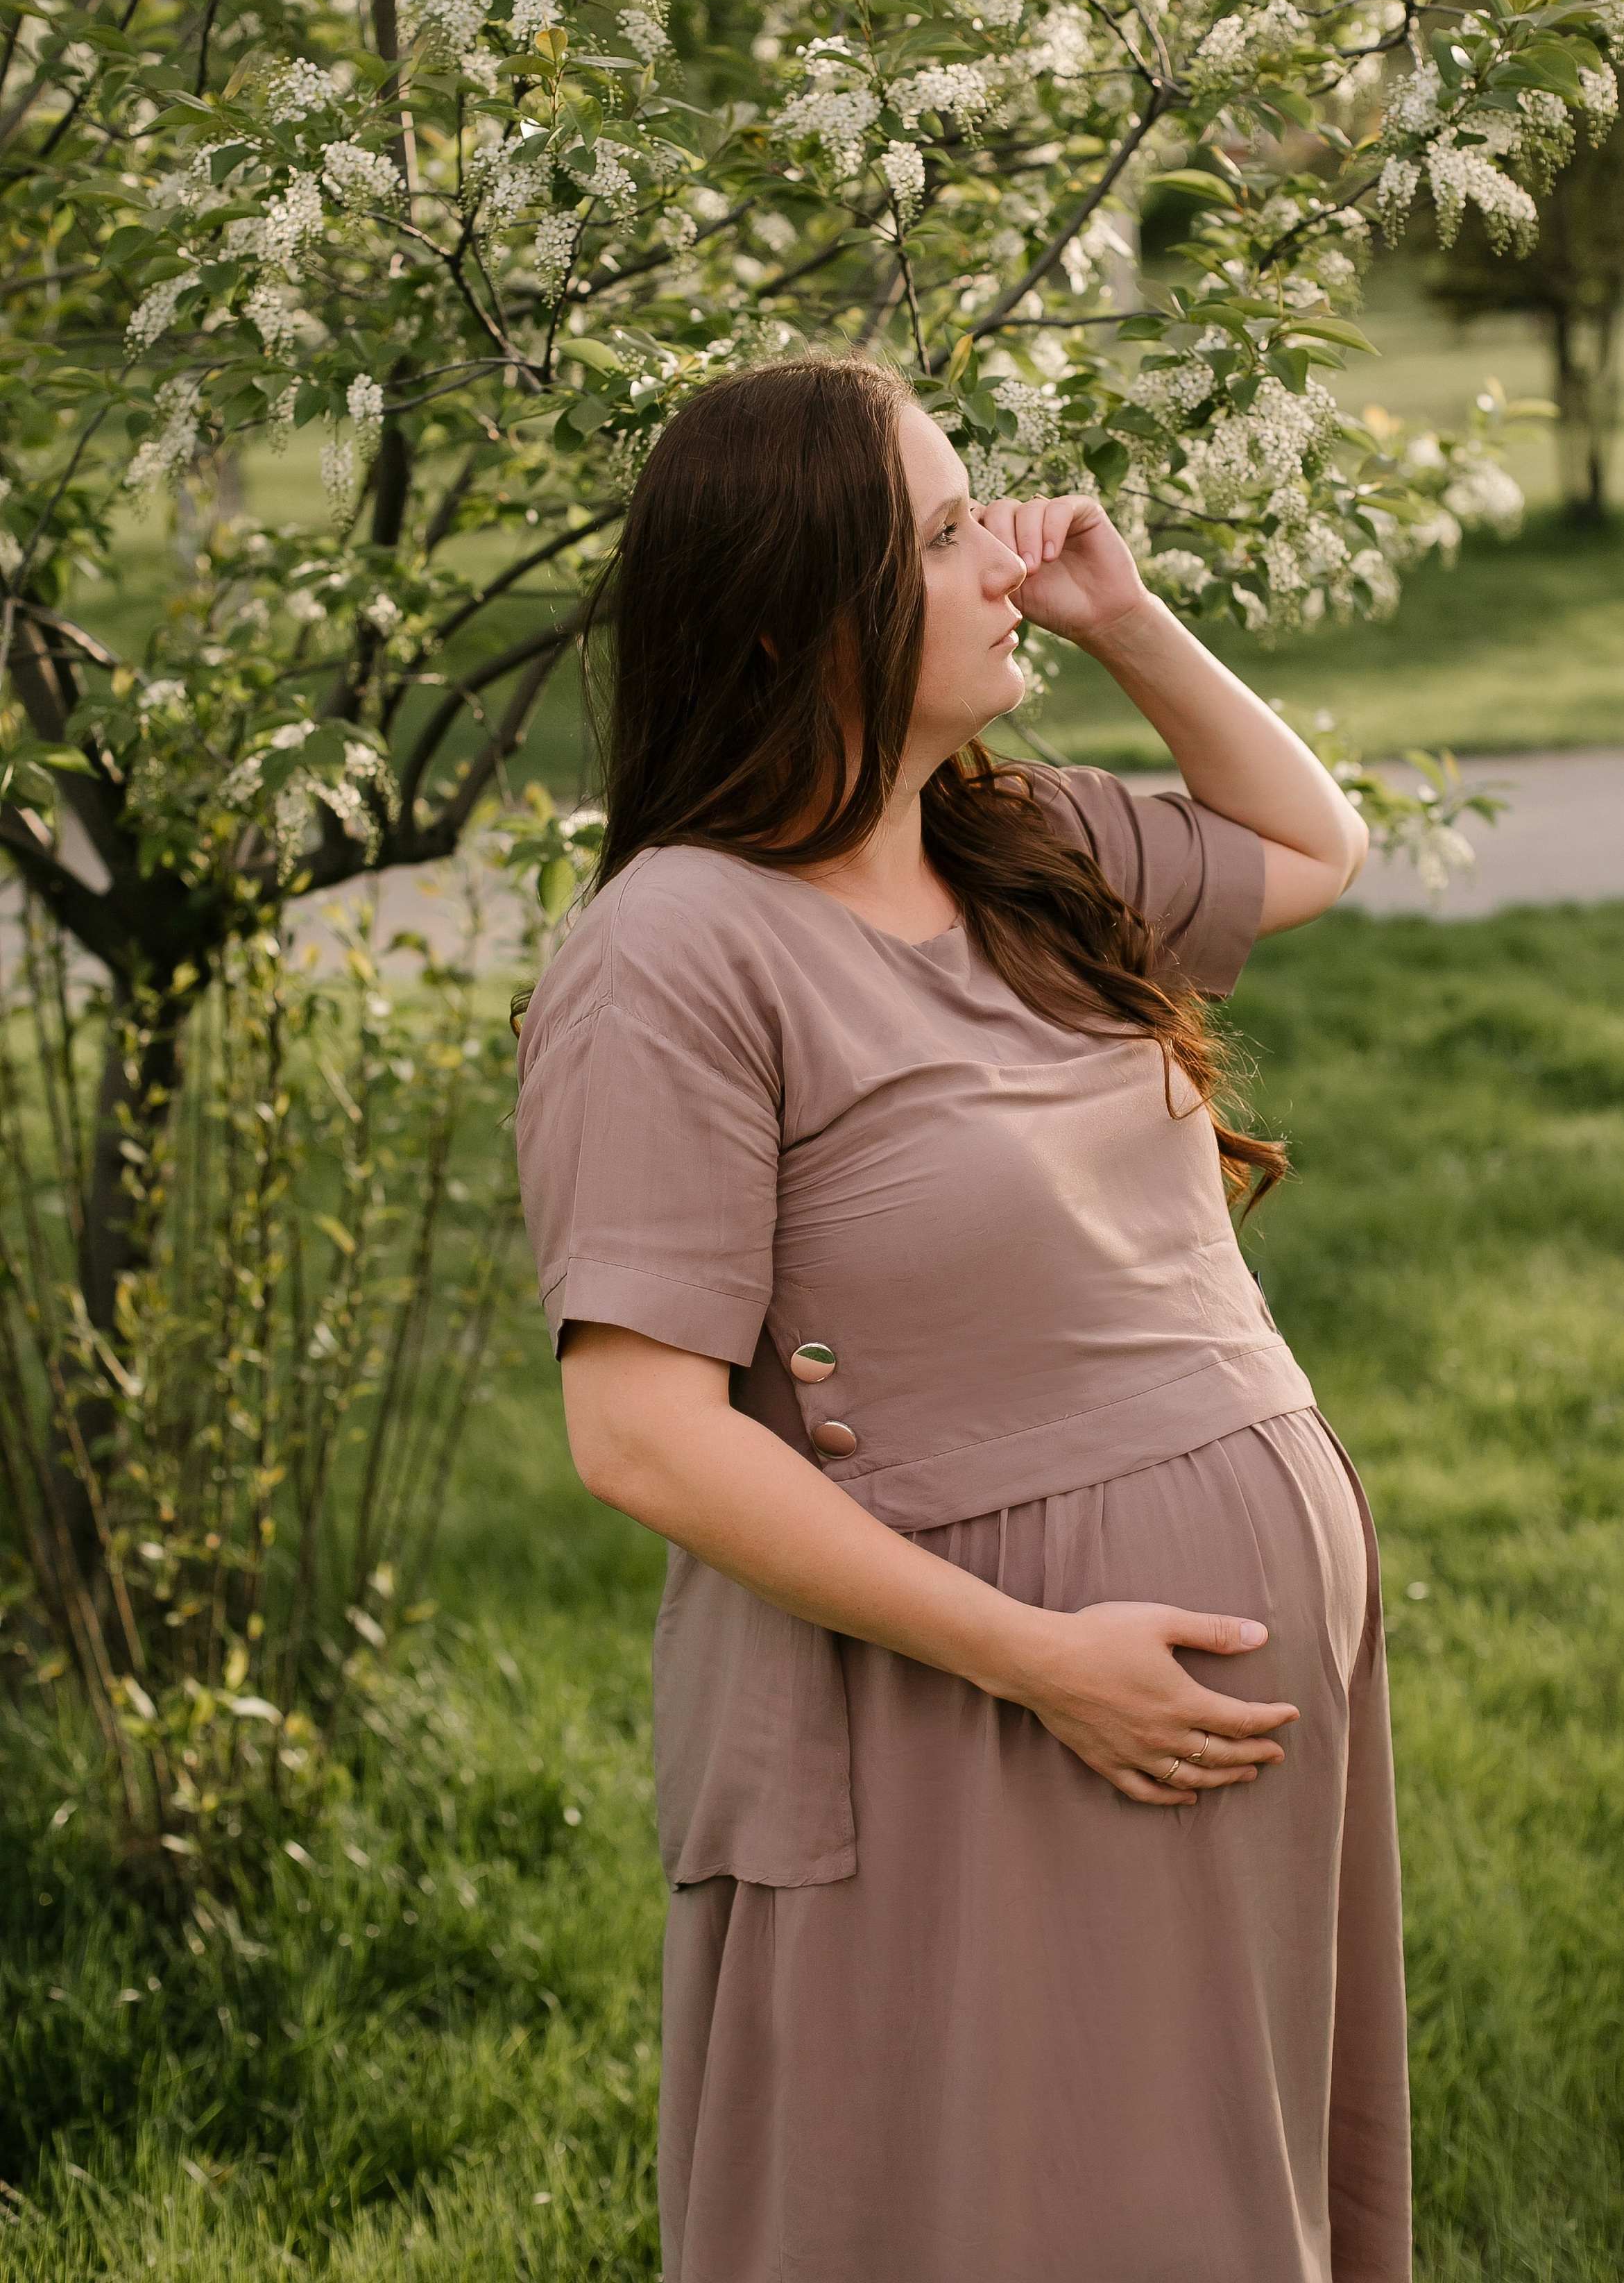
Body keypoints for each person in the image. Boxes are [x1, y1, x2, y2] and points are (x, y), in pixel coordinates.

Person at [513, 352, 1410, 2283]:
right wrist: (1037, 1660)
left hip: (1207, 1712)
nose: (1006, 554)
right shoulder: (679, 950)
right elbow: (638, 1432)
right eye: (943, 532)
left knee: (1209, 2206)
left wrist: (1130, 610)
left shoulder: (1021, 852)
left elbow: (1318, 848)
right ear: (791, 615)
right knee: (989, 2207)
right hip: (986, 1714)